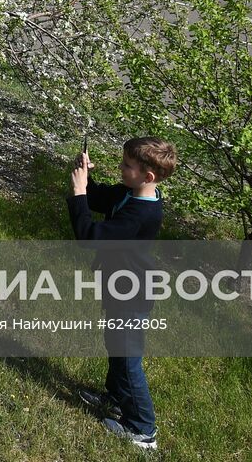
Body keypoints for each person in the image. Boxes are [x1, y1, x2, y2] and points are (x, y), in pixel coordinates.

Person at [68, 136, 178, 452]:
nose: (120, 167)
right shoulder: (132, 194)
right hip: (120, 289)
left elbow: (89, 236)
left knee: (129, 360)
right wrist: (85, 181)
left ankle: (144, 430)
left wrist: (78, 194)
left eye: (126, 165)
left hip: (133, 297)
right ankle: (116, 398)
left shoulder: (143, 214)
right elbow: (100, 197)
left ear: (148, 177)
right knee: (115, 345)